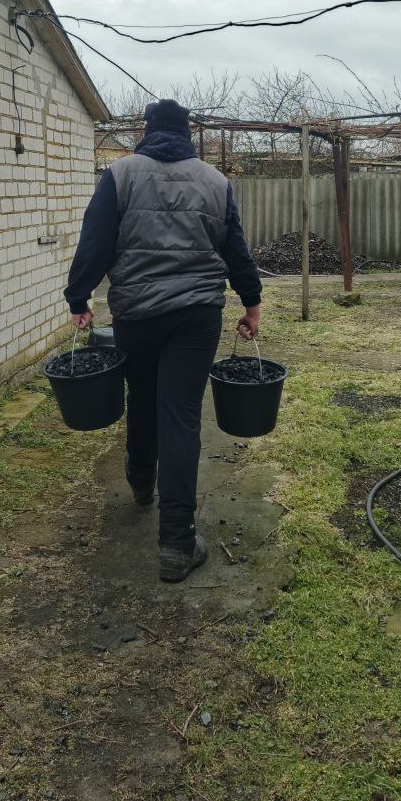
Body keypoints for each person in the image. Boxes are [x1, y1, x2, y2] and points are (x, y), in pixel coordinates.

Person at [64, 99, 262, 582]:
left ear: (148, 131)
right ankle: (176, 543)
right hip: (196, 318)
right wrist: (250, 300)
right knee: (181, 416)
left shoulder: (120, 175)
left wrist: (79, 296)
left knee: (144, 400)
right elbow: (234, 247)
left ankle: (139, 481)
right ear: (189, 133)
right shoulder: (216, 181)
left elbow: (96, 240)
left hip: (137, 314)